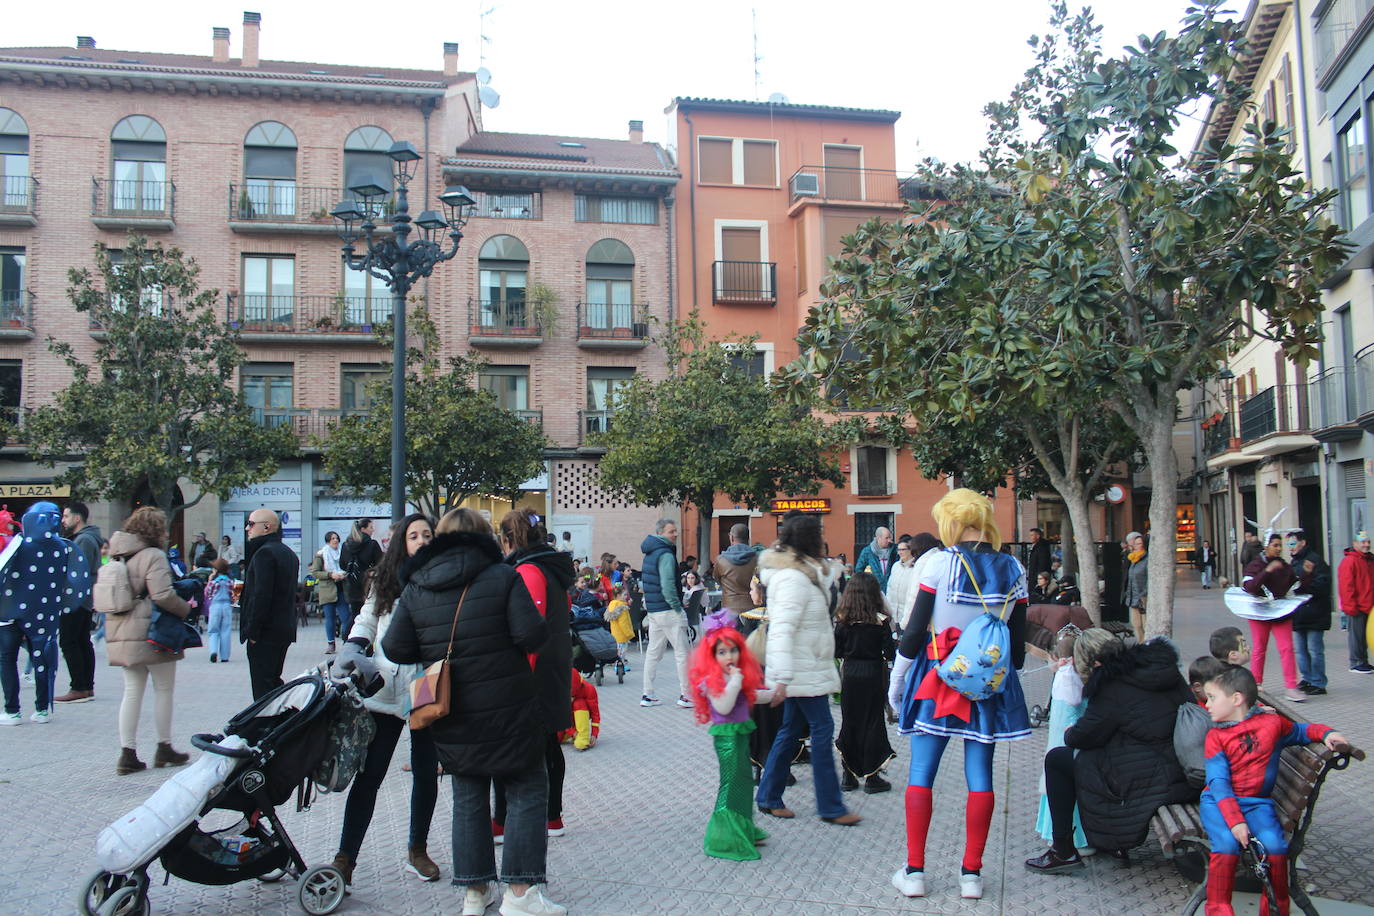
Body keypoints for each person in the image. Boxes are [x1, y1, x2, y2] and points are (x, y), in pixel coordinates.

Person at [381, 507, 562, 916]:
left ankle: (474, 893)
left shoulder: (416, 586)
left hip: (451, 713)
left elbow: (394, 648)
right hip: (510, 709)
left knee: (468, 795)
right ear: (485, 537)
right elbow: (531, 635)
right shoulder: (503, 576)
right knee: (527, 788)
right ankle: (520, 893)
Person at [887, 489, 1029, 900]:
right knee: (980, 776)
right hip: (987, 685)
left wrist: (897, 685)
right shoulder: (1015, 568)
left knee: (922, 774)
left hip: (937, 679)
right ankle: (972, 875)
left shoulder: (938, 564)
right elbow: (1016, 651)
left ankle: (914, 872)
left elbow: (913, 633)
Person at [331, 513, 442, 889]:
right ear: (402, 542)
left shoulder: (446, 579)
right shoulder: (386, 578)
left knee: (426, 773)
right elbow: (367, 618)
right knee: (370, 776)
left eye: (428, 534)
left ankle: (417, 849)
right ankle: (345, 858)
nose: (422, 540)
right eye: (415, 535)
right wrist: (353, 647)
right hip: (385, 685)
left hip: (427, 685)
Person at [1025, 637, 1195, 876]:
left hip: (1150, 778)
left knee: (1058, 760)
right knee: (1096, 758)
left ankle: (1063, 850)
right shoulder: (1166, 671)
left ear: (1095, 663)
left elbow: (1082, 737)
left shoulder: (1112, 685)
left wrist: (1070, 731)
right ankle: (1109, 844)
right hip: (1181, 767)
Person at [1198, 665, 1348, 916]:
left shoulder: (1272, 723)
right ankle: (1219, 909)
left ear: (1236, 699)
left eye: (1212, 698)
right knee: (1226, 845)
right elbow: (1218, 783)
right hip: (1218, 803)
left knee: (1275, 848)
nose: (1207, 703)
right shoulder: (1216, 736)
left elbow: (1300, 731)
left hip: (1257, 803)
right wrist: (1235, 822)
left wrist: (1327, 733)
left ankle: (1276, 909)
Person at [755, 511, 859, 827]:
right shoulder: (793, 578)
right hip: (801, 670)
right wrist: (782, 678)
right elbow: (782, 629)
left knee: (789, 731)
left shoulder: (808, 572)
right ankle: (830, 806)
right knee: (822, 729)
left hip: (807, 665)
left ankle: (769, 796)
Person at [496, 508, 575, 843]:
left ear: (510, 539)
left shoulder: (528, 570)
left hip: (534, 671)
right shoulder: (550, 567)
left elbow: (530, 627)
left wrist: (515, 679)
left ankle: (503, 820)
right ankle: (552, 816)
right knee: (547, 744)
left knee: (515, 748)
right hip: (554, 664)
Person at [105, 507, 191, 774]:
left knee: (131, 691)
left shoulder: (117, 554)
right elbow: (162, 594)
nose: (166, 532)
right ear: (155, 530)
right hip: (153, 631)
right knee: (163, 689)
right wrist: (185, 609)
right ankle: (163, 747)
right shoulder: (153, 555)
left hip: (122, 630)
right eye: (163, 527)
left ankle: (127, 752)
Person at [0, 501, 92, 725]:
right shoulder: (65, 547)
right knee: (43, 659)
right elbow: (78, 582)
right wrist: (63, 604)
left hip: (10, 611)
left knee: (7, 658)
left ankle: (12, 711)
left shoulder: (19, 544)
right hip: (44, 613)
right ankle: (42, 709)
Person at [689, 621, 774, 861]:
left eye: (733, 650)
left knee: (744, 783)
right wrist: (736, 681)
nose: (729, 656)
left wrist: (776, 693)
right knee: (731, 786)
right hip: (727, 739)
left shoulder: (731, 675)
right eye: (722, 652)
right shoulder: (713, 680)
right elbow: (724, 705)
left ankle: (743, 828)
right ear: (712, 656)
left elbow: (750, 696)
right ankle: (724, 838)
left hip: (739, 736)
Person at [1034, 629, 1119, 851]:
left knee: (1062, 780)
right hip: (1068, 737)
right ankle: (1073, 837)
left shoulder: (1068, 675)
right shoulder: (1071, 676)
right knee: (1066, 781)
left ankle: (1065, 840)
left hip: (1067, 737)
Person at [832, 572, 895, 794]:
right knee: (873, 722)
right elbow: (889, 652)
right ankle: (872, 776)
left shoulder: (843, 621)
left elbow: (836, 650)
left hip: (850, 672)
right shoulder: (881, 621)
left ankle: (848, 776)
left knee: (850, 721)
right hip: (873, 672)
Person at [240, 509, 299, 700]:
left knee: (263, 688)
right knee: (272, 682)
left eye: (251, 524)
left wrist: (253, 632)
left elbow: (261, 596)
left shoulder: (264, 554)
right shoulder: (288, 553)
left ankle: (265, 726)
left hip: (266, 632)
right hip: (283, 629)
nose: (247, 528)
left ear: (267, 527)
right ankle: (275, 724)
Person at [1242, 533, 1305, 702]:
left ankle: (1291, 686)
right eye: (1275, 545)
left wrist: (1307, 574)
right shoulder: (1255, 564)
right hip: (1259, 612)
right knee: (1259, 648)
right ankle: (1255, 683)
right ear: (1266, 546)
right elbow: (1250, 587)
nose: (1278, 548)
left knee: (1287, 648)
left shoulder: (1284, 566)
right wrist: (1267, 571)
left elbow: (1294, 585)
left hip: (1280, 613)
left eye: (1280, 545)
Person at [640, 518, 693, 709]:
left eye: (676, 531)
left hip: (654, 610)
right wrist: (677, 607)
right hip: (669, 610)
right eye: (672, 531)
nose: (675, 534)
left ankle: (648, 693)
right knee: (683, 653)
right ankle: (686, 695)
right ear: (661, 533)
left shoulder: (650, 552)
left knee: (653, 652)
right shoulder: (665, 555)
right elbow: (668, 585)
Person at [56, 500, 103, 704]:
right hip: (83, 598)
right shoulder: (87, 538)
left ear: (77, 518)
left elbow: (76, 571)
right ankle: (86, 686)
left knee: (69, 641)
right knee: (82, 640)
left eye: (66, 516)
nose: (63, 520)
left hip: (75, 598)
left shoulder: (83, 540)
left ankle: (78, 687)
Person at [1288, 529, 1332, 696]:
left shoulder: (1315, 561)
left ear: (1302, 542)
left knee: (1314, 649)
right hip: (1299, 614)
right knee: (1300, 650)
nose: (1290, 548)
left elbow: (1323, 585)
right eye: (1288, 545)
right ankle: (1307, 678)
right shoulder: (1294, 563)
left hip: (1314, 613)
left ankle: (1318, 682)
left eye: (1292, 544)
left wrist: (1303, 588)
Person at [339, 519, 382, 643]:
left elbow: (342, 564)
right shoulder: (372, 544)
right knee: (367, 614)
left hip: (351, 585)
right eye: (370, 527)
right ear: (363, 529)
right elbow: (381, 563)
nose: (373, 530)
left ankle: (348, 636)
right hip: (367, 584)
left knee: (355, 612)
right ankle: (359, 639)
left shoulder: (346, 545)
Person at [1337, 530, 1373, 674]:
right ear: (1355, 544)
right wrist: (1350, 607)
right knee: (1356, 636)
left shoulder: (1369, 560)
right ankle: (1356, 662)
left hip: (1368, 605)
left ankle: (1363, 661)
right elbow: (1346, 586)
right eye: (1363, 542)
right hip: (1357, 606)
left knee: (1364, 636)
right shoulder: (1350, 561)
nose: (1366, 545)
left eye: (1368, 542)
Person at [714, 523, 760, 625]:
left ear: (731, 537)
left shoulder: (721, 560)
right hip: (753, 608)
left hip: (730, 607)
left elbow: (717, 579)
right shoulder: (758, 559)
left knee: (731, 640)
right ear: (748, 538)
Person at [310, 531, 348, 654]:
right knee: (330, 618)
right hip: (328, 590)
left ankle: (347, 642)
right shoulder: (321, 554)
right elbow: (315, 572)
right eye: (332, 538)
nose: (335, 540)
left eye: (337, 538)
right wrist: (331, 575)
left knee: (346, 618)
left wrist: (343, 575)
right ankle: (331, 644)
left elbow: (347, 567)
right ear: (328, 541)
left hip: (342, 589)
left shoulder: (342, 553)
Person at [559, 668, 600, 751]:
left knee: (579, 703)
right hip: (562, 726)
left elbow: (595, 714)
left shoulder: (589, 689)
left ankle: (582, 738)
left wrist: (594, 734)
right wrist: (572, 732)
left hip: (578, 720)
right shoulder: (559, 690)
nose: (571, 698)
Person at [205, 558, 235, 663]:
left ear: (216, 569)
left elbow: (207, 594)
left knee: (213, 630)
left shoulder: (214, 582)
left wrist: (210, 580)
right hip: (227, 606)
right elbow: (234, 596)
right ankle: (225, 656)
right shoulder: (230, 581)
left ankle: (213, 651)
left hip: (215, 606)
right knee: (225, 631)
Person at [1123, 531, 1148, 643]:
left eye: (1139, 543)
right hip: (1133, 597)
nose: (1135, 546)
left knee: (1145, 624)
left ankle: (1147, 645)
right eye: (1135, 543)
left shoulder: (1147, 559)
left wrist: (1145, 593)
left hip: (1143, 598)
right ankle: (1140, 643)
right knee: (1136, 624)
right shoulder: (1133, 559)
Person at [604, 582, 634, 667]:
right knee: (622, 651)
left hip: (615, 634)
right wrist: (629, 634)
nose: (626, 597)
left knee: (618, 650)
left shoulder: (612, 604)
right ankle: (620, 665)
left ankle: (618, 663)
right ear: (618, 595)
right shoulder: (622, 608)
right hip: (622, 635)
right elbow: (623, 623)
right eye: (624, 595)